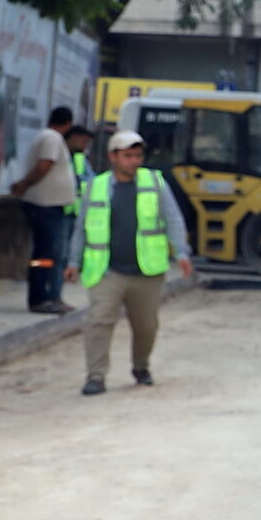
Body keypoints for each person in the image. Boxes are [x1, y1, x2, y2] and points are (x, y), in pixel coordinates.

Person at [71, 130, 195, 397]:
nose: (134, 161)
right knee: (99, 322)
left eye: (137, 155)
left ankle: (141, 367)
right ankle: (96, 375)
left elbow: (173, 219)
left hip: (146, 271)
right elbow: (81, 227)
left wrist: (182, 253)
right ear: (113, 157)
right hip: (107, 270)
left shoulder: (155, 183)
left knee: (146, 326)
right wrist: (73, 260)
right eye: (128, 156)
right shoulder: (97, 186)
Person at [9, 105, 80, 315]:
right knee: (44, 255)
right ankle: (40, 298)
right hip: (44, 206)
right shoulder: (52, 137)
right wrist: (24, 184)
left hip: (51, 206)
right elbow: (44, 165)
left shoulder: (48, 136)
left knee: (49, 253)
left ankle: (49, 296)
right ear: (68, 123)